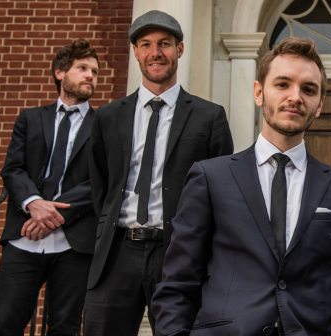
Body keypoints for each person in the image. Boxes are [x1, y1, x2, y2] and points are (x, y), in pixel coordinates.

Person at [151, 36, 331, 335]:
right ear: (259, 92)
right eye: (283, 84)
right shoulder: (210, 178)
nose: (295, 96)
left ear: (320, 105)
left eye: (308, 89)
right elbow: (177, 287)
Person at [85, 10, 234, 335]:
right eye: (146, 44)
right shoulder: (109, 117)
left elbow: (223, 194)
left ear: (179, 49)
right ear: (136, 52)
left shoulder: (209, 117)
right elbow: (100, 185)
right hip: (117, 253)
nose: (156, 52)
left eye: (165, 43)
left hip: (179, 251)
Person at [0, 39, 99, 335]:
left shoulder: (103, 123)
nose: (90, 75)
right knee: (6, 320)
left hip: (74, 241)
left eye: (94, 70)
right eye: (82, 68)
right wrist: (34, 203)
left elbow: (102, 179)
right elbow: (13, 169)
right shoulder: (30, 118)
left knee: (65, 326)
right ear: (60, 72)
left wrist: (55, 214)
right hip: (24, 236)